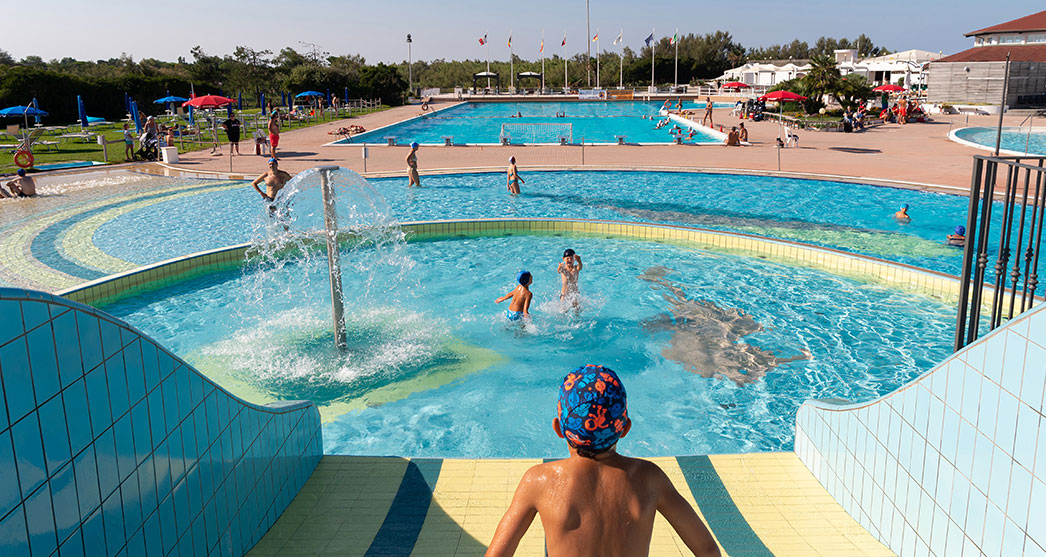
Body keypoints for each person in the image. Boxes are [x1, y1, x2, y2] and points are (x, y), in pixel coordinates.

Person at [486, 365, 720, 557]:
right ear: (625, 428)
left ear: (558, 428)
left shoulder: (539, 481)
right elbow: (708, 551)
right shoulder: (650, 478)